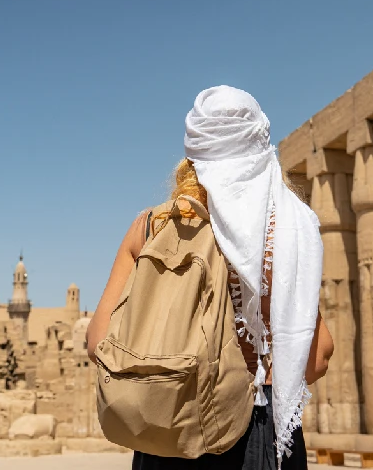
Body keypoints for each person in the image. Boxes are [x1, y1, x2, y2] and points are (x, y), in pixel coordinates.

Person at [87, 85, 334, 470]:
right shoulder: (285, 233)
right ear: (261, 149)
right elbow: (316, 358)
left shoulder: (150, 227)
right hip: (256, 433)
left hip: (167, 430)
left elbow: (98, 342)